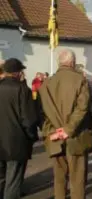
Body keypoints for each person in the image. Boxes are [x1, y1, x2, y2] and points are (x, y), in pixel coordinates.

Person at [38, 49, 92, 199]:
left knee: (59, 179)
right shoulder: (80, 80)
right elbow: (83, 107)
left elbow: (41, 112)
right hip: (75, 136)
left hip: (55, 137)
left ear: (59, 62)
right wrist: (68, 129)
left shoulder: (46, 83)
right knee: (77, 179)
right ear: (72, 62)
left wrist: (53, 131)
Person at [0, 58, 38, 199]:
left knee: (2, 178)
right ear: (17, 72)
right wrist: (31, 137)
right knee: (13, 180)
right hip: (16, 141)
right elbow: (29, 119)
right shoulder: (22, 89)